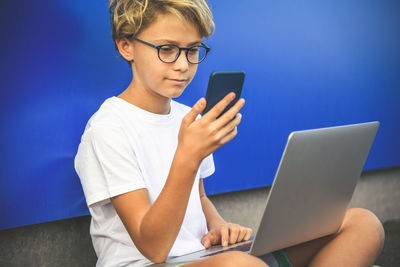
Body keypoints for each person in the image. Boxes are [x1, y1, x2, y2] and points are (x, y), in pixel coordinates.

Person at [74, 0, 385, 266]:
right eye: (167, 49)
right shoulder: (108, 128)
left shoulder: (186, 116)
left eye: (192, 50)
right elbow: (153, 247)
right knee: (240, 264)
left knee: (362, 223)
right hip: (149, 262)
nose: (183, 64)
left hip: (206, 256)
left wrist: (218, 224)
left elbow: (198, 200)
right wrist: (188, 154)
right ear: (126, 45)